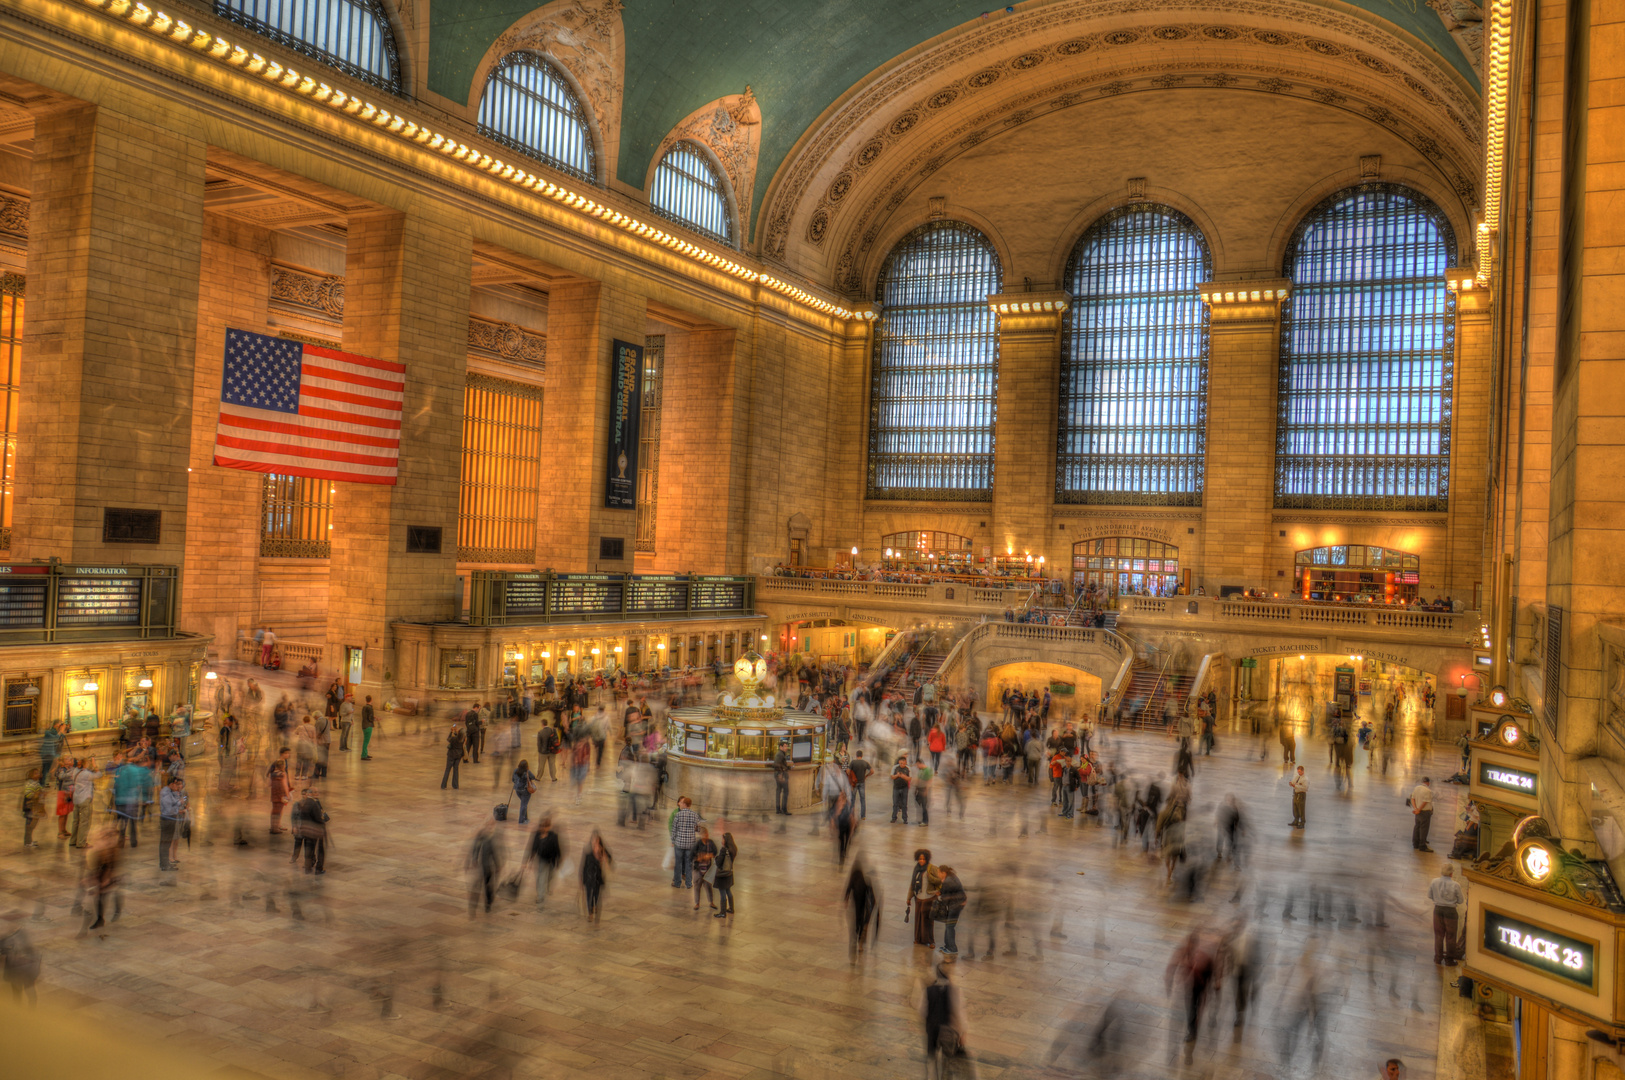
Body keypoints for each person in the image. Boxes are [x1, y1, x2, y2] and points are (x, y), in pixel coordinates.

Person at [919, 963, 968, 1080]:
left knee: (931, 1062)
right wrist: (963, 1032)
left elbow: (922, 1010)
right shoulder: (954, 991)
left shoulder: (928, 990)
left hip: (932, 1031)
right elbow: (959, 1012)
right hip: (948, 1032)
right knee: (948, 1064)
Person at [1428, 864, 1465, 965]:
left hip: (1438, 910)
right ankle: (1449, 960)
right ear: (1451, 873)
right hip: (1451, 912)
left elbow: (1429, 895)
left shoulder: (1434, 882)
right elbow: (1461, 900)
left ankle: (1438, 958)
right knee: (1451, 936)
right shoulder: (1455, 885)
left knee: (1439, 935)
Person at [466, 818, 503, 916]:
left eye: (492, 825)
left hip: (488, 867)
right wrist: (474, 859)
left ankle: (488, 902)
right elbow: (476, 848)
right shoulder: (481, 837)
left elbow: (494, 853)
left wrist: (498, 865)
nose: (490, 828)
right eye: (489, 825)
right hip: (481, 867)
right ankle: (475, 906)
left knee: (488, 886)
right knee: (479, 885)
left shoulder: (491, 838)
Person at [523, 816, 562, 908]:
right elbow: (532, 847)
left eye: (545, 826)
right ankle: (540, 896)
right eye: (542, 826)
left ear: (549, 827)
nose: (543, 828)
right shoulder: (536, 834)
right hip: (541, 859)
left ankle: (548, 885)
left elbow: (557, 849)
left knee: (550, 876)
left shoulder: (553, 836)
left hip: (551, 860)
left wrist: (558, 862)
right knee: (540, 878)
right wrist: (526, 861)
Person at [290, 787, 329, 874]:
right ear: (311, 793)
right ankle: (319, 868)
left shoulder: (305, 802)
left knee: (309, 849)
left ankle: (308, 867)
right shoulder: (314, 803)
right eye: (316, 792)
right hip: (316, 830)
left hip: (307, 830)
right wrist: (322, 821)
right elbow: (319, 817)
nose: (317, 794)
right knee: (320, 850)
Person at [844, 861, 878, 955]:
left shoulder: (856, 879)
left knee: (858, 924)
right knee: (861, 925)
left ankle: (859, 942)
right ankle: (860, 943)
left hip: (859, 907)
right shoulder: (863, 879)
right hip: (861, 907)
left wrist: (846, 900)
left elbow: (848, 889)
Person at [581, 829, 612, 924]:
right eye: (593, 840)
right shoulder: (588, 851)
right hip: (589, 877)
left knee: (596, 895)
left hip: (598, 878)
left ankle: (594, 906)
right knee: (588, 896)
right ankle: (590, 913)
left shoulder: (602, 850)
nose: (595, 842)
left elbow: (610, 858)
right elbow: (583, 865)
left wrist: (605, 859)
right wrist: (581, 878)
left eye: (596, 840)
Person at [935, 865, 966, 958]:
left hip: (955, 905)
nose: (938, 874)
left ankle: (952, 948)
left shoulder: (947, 881)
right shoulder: (951, 877)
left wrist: (940, 897)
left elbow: (945, 897)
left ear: (943, 873)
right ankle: (947, 946)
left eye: (939, 872)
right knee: (949, 925)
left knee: (949, 926)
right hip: (958, 903)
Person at [158, 775, 187, 873]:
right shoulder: (165, 792)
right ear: (171, 784)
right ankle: (164, 864)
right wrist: (178, 802)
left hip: (171, 818)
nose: (177, 786)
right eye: (176, 784)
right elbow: (169, 806)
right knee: (165, 843)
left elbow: (175, 802)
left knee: (166, 842)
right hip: (168, 819)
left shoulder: (170, 791)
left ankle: (165, 863)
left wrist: (177, 797)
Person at [908, 849, 937, 948]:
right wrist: (909, 898)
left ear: (927, 859)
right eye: (920, 859)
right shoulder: (916, 869)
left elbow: (939, 880)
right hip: (919, 898)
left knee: (928, 921)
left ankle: (931, 941)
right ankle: (918, 939)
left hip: (928, 898)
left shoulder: (932, 868)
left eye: (923, 859)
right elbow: (912, 884)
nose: (921, 861)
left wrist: (937, 893)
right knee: (918, 919)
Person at [670, 796, 699, 890]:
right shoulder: (695, 815)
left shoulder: (678, 815)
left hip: (679, 842)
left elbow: (674, 829)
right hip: (690, 843)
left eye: (682, 803)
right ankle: (689, 884)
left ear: (685, 804)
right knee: (689, 864)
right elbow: (697, 828)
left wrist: (673, 840)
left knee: (678, 863)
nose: (680, 804)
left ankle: (677, 883)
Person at [692, 826, 718, 911]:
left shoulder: (710, 842)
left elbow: (715, 851)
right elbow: (691, 855)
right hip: (698, 869)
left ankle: (711, 902)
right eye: (704, 835)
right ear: (701, 835)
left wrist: (710, 855)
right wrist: (699, 857)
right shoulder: (697, 843)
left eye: (707, 834)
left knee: (708, 886)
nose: (706, 836)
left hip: (707, 869)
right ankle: (697, 903)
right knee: (697, 886)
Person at [268, 752, 292, 833]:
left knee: (274, 810)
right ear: (282, 766)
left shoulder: (272, 774)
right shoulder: (283, 774)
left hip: (274, 793)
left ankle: (272, 827)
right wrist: (287, 795)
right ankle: (276, 828)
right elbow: (285, 785)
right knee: (279, 810)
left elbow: (269, 784)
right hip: (281, 794)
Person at [19, 767, 42, 849]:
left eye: (38, 773)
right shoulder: (30, 783)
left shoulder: (36, 783)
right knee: (29, 824)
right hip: (30, 807)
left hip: (33, 807)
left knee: (32, 824)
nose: (38, 774)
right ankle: (28, 842)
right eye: (36, 773)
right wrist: (36, 794)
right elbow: (28, 794)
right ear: (31, 775)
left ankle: (29, 840)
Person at [1411, 777, 1435, 852]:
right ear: (1428, 783)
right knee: (1424, 829)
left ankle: (1415, 843)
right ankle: (1422, 845)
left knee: (1417, 827)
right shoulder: (1428, 791)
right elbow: (1425, 802)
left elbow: (1412, 798)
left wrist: (1415, 808)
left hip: (1417, 811)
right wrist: (1419, 809)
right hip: (1425, 812)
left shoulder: (1416, 788)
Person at [511, 759, 539, 824]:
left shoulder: (516, 770)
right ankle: (521, 821)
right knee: (523, 805)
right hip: (525, 791)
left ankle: (525, 818)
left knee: (524, 804)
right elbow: (533, 777)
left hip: (517, 790)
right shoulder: (527, 772)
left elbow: (513, 780)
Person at [441, 722, 465, 790]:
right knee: (456, 769)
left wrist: (451, 732)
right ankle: (455, 785)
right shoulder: (463, 739)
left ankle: (443, 785)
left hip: (451, 755)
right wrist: (455, 732)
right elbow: (458, 737)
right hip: (458, 755)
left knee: (447, 770)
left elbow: (449, 739)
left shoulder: (454, 739)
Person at [849, 750, 871, 819]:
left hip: (854, 783)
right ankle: (863, 816)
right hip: (862, 782)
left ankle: (851, 814)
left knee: (853, 799)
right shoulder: (865, 763)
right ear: (862, 755)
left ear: (856, 755)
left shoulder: (853, 762)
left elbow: (848, 771)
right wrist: (866, 776)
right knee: (862, 799)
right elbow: (872, 771)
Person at [772, 739, 792, 815]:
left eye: (787, 746)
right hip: (781, 775)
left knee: (779, 791)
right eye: (785, 746)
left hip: (779, 774)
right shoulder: (780, 754)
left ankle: (778, 809)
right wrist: (781, 773)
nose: (786, 748)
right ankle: (784, 809)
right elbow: (776, 764)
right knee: (786, 791)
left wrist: (787, 768)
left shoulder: (780, 754)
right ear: (780, 747)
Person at [891, 755, 912, 824]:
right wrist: (897, 775)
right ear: (899, 762)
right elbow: (892, 776)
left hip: (904, 788)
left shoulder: (908, 768)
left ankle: (905, 818)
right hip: (896, 788)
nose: (902, 764)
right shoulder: (895, 767)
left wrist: (904, 777)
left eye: (903, 763)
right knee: (895, 803)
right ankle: (894, 817)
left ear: (905, 762)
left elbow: (910, 778)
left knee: (904, 804)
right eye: (901, 763)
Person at [360, 696, 376, 760]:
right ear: (371, 700)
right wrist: (373, 719)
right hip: (368, 726)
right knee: (366, 741)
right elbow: (370, 717)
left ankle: (365, 753)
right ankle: (363, 755)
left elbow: (365, 716)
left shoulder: (364, 707)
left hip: (364, 725)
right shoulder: (370, 708)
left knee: (366, 741)